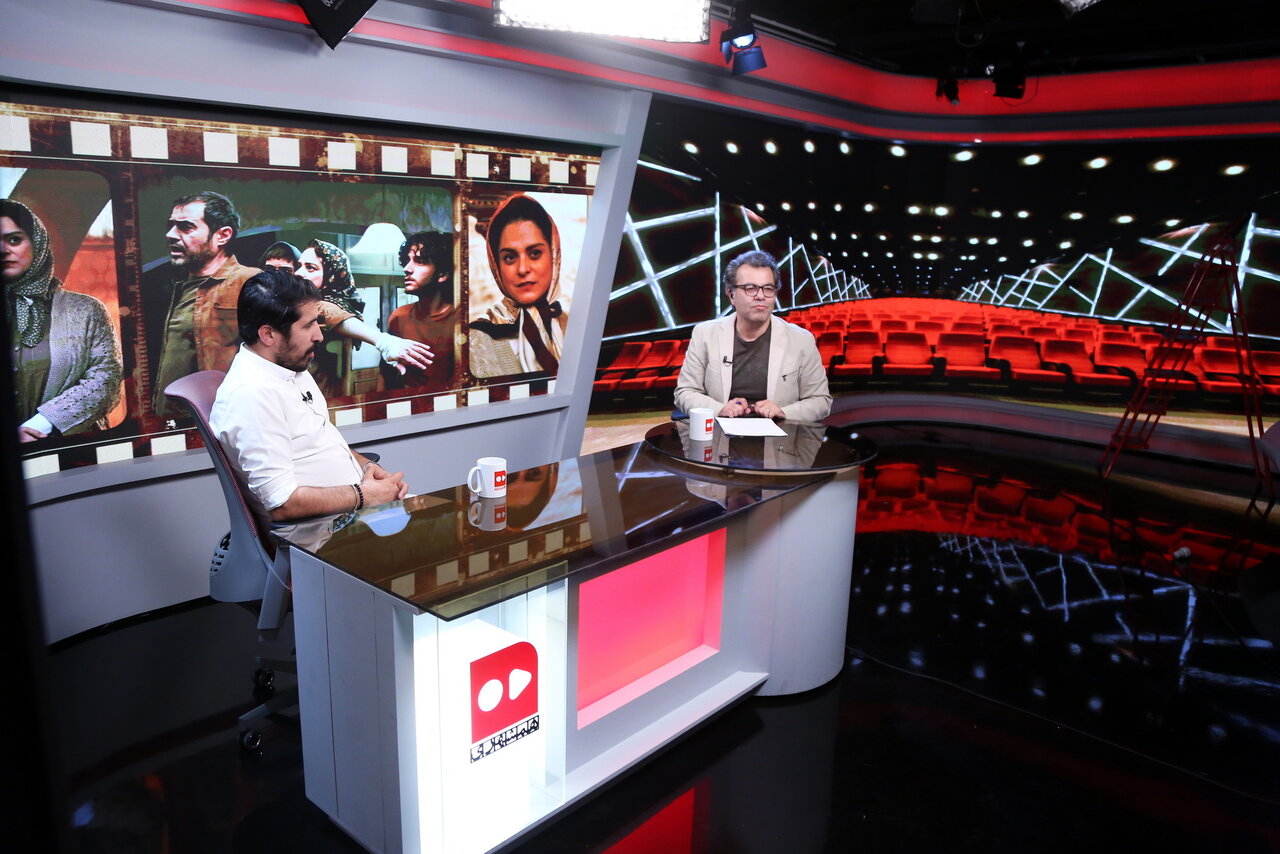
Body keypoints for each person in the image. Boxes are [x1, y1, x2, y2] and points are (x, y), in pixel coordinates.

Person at [210, 267, 408, 525]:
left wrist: (366, 468)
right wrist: (365, 494)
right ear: (268, 334)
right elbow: (282, 504)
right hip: (320, 533)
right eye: (308, 325)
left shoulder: (291, 366)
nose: (319, 335)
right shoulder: (250, 394)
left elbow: (320, 440)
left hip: (352, 513)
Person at [1, 199, 123, 442]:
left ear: (37, 243)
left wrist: (40, 426)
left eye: (14, 240)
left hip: (76, 450)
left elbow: (106, 378)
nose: (3, 250)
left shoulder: (86, 310)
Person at [675, 249, 831, 422]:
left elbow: (821, 401)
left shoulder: (801, 340)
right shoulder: (704, 334)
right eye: (750, 288)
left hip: (779, 433)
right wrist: (720, 409)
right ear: (731, 295)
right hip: (721, 431)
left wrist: (784, 412)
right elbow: (685, 392)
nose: (760, 296)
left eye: (768, 288)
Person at [153, 190, 260, 417]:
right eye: (171, 226)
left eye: (186, 227)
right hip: (175, 419)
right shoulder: (175, 285)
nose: (171, 235)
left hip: (221, 420)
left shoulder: (249, 281)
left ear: (222, 235)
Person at [295, 238, 432, 399]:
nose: (298, 273)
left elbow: (325, 310)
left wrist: (384, 342)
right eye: (299, 266)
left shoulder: (329, 306)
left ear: (331, 275)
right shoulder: (307, 305)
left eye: (310, 268)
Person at [469, 194, 566, 377]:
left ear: (553, 255)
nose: (522, 269)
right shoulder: (478, 338)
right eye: (510, 257)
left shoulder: (573, 325)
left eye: (535, 253)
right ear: (496, 265)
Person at [385, 231, 456, 392]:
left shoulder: (463, 319)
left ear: (442, 273)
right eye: (407, 261)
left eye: (420, 261)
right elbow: (386, 374)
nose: (407, 269)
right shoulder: (399, 317)